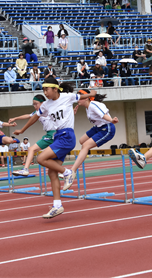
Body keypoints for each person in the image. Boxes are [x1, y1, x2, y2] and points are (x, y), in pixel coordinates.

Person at [12, 77, 97, 218]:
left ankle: (68, 173)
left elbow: (84, 96)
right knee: (51, 173)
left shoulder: (67, 97)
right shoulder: (45, 105)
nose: (45, 92)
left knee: (40, 158)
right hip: (58, 136)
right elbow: (34, 117)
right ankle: (57, 206)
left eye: (47, 89)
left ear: (55, 89)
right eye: (43, 90)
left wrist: (91, 93)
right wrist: (22, 130)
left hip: (67, 136)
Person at [65, 89, 119, 190]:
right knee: (81, 141)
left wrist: (112, 120)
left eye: (80, 96)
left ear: (86, 98)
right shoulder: (87, 107)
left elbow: (104, 115)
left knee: (85, 146)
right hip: (97, 128)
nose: (78, 99)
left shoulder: (94, 105)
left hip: (107, 128)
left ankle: (72, 171)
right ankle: (81, 158)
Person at [10, 95, 54, 176]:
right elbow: (28, 116)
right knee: (32, 150)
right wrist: (15, 118)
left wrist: (21, 130)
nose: (34, 106)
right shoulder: (38, 112)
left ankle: (65, 171)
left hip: (54, 134)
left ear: (43, 103)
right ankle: (25, 169)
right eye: (33, 104)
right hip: (49, 134)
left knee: (39, 154)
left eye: (36, 104)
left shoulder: (47, 109)